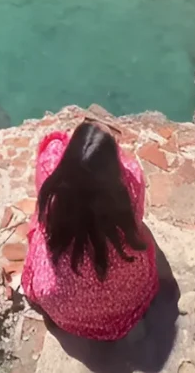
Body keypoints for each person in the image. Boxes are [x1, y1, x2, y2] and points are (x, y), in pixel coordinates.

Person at [21, 120, 159, 340]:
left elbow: (51, 143)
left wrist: (70, 141)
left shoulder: (53, 186)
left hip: (67, 310)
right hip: (129, 297)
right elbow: (137, 216)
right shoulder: (131, 179)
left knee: (42, 232)